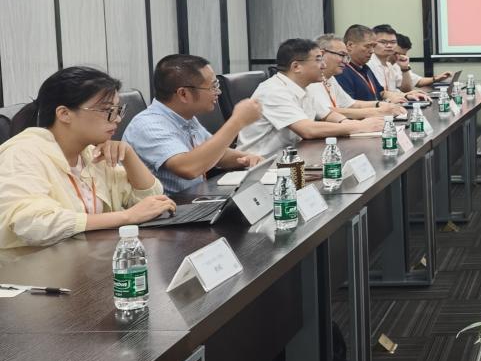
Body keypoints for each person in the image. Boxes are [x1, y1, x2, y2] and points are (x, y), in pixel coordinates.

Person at [0, 67, 174, 248]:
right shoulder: (21, 154)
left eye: (117, 110)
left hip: (86, 257)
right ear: (64, 114)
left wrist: (129, 155)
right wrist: (126, 217)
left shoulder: (91, 153)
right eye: (107, 110)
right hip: (31, 263)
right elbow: (34, 224)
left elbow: (153, 202)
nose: (117, 119)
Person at [124, 55, 266, 195]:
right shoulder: (148, 126)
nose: (218, 92)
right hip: (171, 207)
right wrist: (237, 122)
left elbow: (216, 153)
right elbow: (188, 168)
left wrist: (246, 158)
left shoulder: (184, 117)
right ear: (183, 94)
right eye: (213, 86)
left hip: (195, 199)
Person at [238, 38, 386, 156]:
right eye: (318, 60)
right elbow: (308, 129)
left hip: (292, 156)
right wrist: (358, 126)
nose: (323, 65)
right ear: (296, 67)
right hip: (259, 166)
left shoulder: (304, 86)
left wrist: (351, 123)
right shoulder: (273, 91)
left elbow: (327, 114)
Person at [312, 34, 406, 119]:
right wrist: (378, 111)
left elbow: (351, 104)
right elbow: (327, 112)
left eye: (346, 57)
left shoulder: (330, 78)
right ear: (322, 54)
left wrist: (380, 104)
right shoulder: (312, 80)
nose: (345, 61)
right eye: (342, 55)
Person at [335, 25, 405, 103]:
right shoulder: (341, 70)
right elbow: (350, 105)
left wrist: (405, 96)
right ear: (350, 45)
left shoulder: (365, 67)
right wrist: (385, 103)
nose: (372, 51)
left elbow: (381, 92)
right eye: (368, 46)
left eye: (373, 46)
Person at [368, 24, 407, 95]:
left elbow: (401, 90)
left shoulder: (389, 65)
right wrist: (405, 95)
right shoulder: (369, 64)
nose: (389, 45)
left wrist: (408, 94)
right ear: (372, 43)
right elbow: (378, 93)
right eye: (383, 42)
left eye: (393, 42)